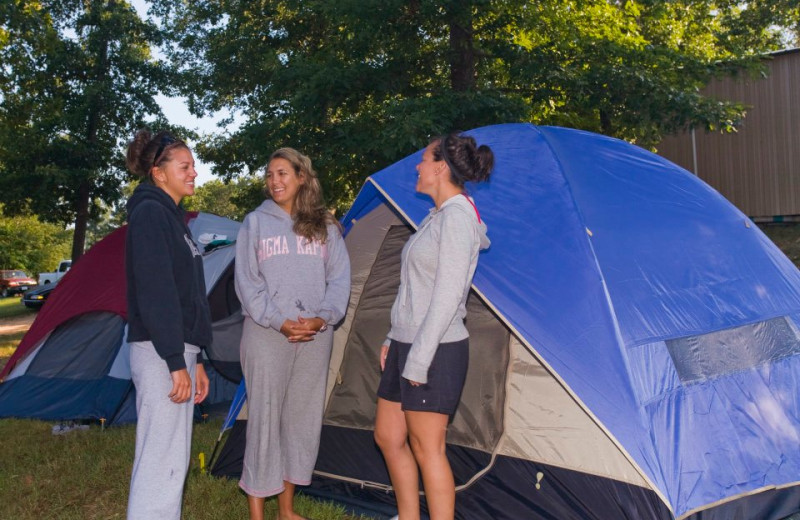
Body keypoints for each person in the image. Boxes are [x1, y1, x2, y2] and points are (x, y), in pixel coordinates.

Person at [374, 132, 494, 520]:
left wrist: (418, 359)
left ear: (441, 167)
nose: (417, 165)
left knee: (428, 449)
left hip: (436, 349)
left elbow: (446, 298)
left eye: (423, 159)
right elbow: (413, 288)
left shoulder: (458, 218)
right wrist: (394, 337)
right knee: (389, 437)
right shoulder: (436, 216)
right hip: (407, 343)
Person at [235, 147, 351, 520]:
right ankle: (257, 514)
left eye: (283, 173)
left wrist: (322, 319)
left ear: (302, 177)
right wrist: (278, 320)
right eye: (270, 174)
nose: (274, 181)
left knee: (300, 421)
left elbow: (339, 281)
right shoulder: (255, 223)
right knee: (265, 420)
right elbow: (248, 284)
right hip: (267, 334)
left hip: (314, 337)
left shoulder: (327, 226)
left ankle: (287, 510)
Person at [124, 129, 212, 519]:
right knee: (160, 455)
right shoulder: (149, 214)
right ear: (159, 173)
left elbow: (187, 295)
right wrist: (175, 360)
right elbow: (156, 291)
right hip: (160, 350)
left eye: (193, 166)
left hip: (177, 350)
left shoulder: (174, 219)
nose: (194, 173)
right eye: (185, 166)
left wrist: (196, 359)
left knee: (172, 454)